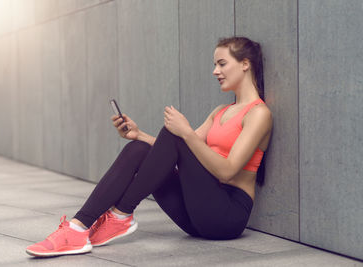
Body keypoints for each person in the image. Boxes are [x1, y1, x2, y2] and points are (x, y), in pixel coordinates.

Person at [26, 36, 273, 257]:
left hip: (226, 217)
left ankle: (121, 214)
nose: (214, 71)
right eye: (215, 64)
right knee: (139, 150)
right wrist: (139, 134)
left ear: (245, 63)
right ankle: (78, 228)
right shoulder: (220, 112)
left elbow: (227, 170)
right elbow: (176, 152)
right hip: (195, 214)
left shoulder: (258, 114)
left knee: (175, 133)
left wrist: (185, 131)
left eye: (221, 63)